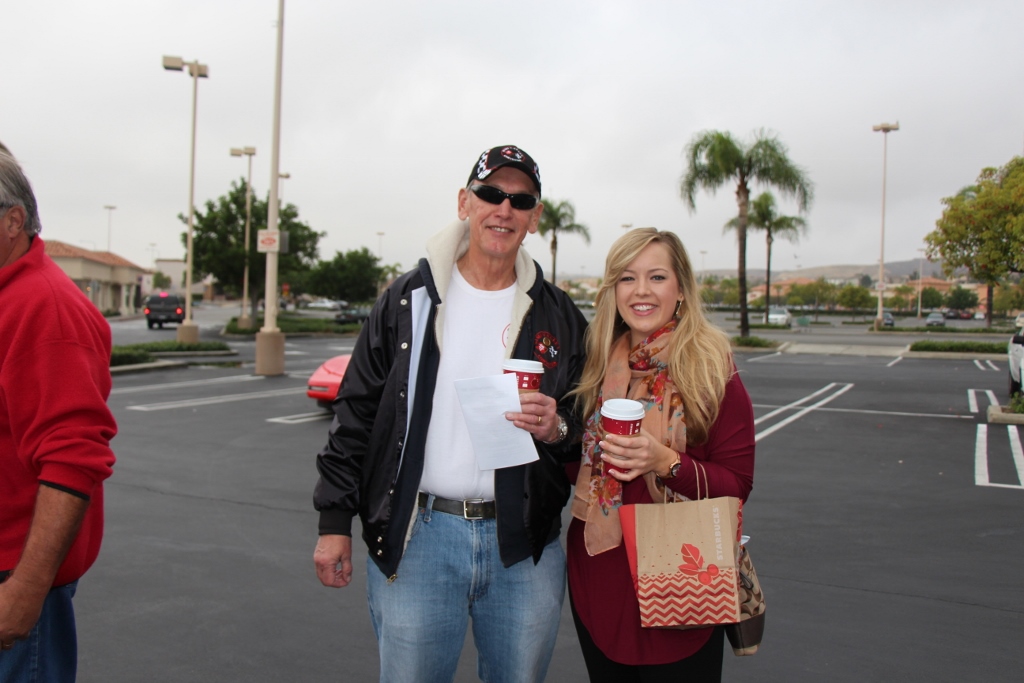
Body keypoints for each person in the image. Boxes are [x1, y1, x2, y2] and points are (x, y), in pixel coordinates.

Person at [312, 145, 587, 682]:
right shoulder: (407, 300)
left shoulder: (560, 314)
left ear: (534, 218)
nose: (503, 209)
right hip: (420, 537)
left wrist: (557, 425)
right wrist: (333, 522)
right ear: (465, 202)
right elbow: (356, 414)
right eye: (490, 194)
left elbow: (584, 420)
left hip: (523, 547)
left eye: (520, 199)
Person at [566, 228, 755, 682]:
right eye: (627, 278)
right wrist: (552, 432)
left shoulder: (711, 368)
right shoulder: (598, 363)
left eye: (656, 276)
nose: (642, 291)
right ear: (613, 290)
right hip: (599, 573)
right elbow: (577, 467)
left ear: (682, 289)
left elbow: (737, 484)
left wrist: (664, 462)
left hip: (681, 573)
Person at [0, 147, 117, 680]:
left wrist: (23, 592)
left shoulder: (44, 307)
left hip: (13, 583)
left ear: (13, 220)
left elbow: (73, 459)